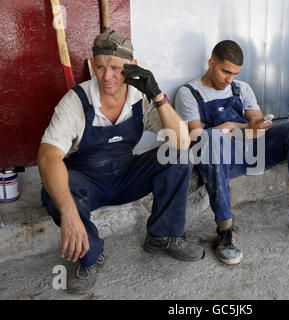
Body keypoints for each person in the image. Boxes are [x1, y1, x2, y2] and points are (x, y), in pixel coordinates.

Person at [38, 30, 204, 294]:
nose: (106, 76)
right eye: (100, 67)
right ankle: (90, 255)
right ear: (93, 65)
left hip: (126, 175)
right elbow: (48, 156)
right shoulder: (75, 102)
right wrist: (69, 212)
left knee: (178, 155)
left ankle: (163, 235)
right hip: (87, 182)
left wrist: (158, 95)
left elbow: (182, 142)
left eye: (116, 68)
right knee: (54, 191)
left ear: (132, 67)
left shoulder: (141, 99)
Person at [175, 40, 289, 266]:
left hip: (253, 150)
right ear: (212, 63)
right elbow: (197, 136)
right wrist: (235, 127)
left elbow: (256, 123)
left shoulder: (242, 88)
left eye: (234, 73)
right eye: (225, 71)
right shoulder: (189, 93)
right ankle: (225, 230)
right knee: (211, 138)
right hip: (220, 158)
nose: (229, 79)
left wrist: (247, 126)